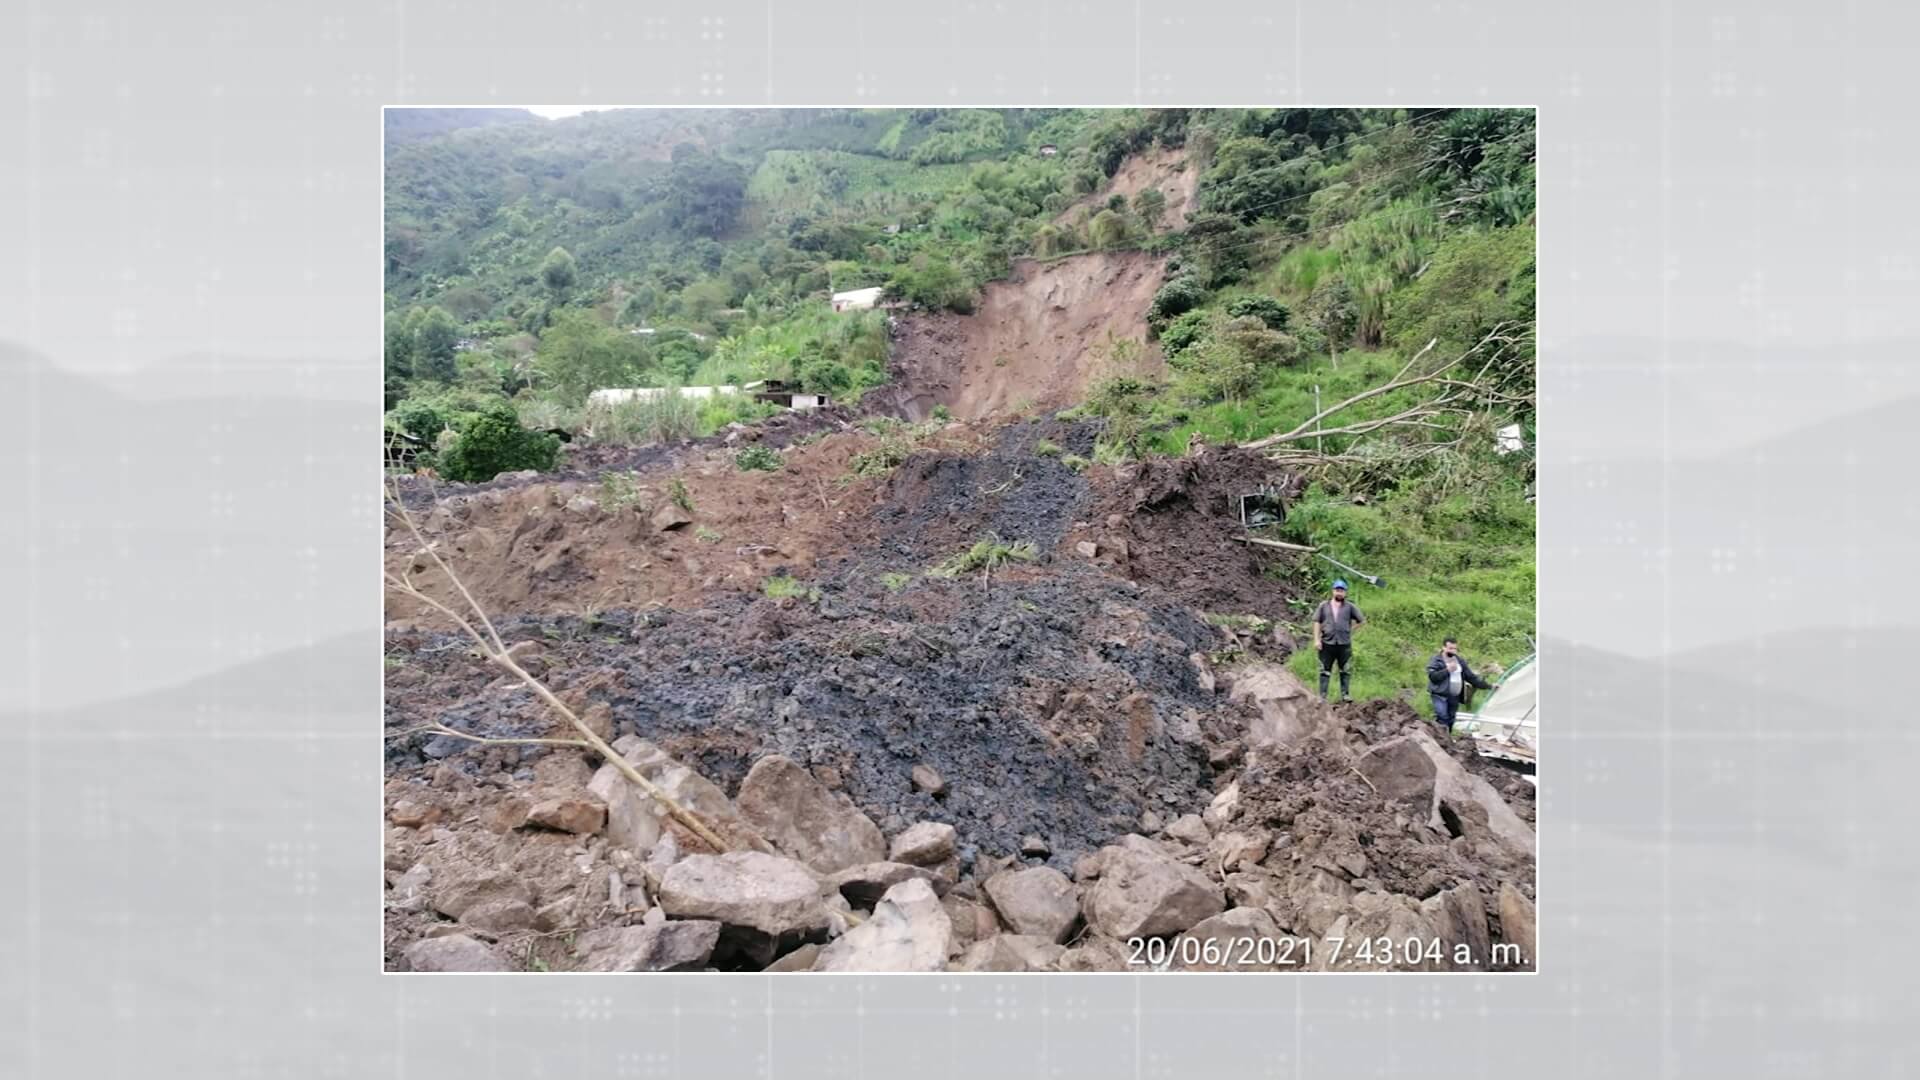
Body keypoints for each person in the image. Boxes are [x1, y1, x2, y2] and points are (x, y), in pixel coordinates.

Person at [1312, 579, 1365, 702]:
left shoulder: (1350, 607)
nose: (1339, 593)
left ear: (1345, 593)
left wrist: (1349, 630)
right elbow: (1316, 622)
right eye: (1337, 590)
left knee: (1345, 670)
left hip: (1344, 644)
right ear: (1333, 591)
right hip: (1326, 643)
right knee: (1324, 670)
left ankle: (1345, 695)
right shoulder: (1324, 606)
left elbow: (1361, 621)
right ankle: (1322, 696)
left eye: (1341, 591)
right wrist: (1316, 639)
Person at [1427, 637, 1493, 733]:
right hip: (1439, 694)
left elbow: (1471, 677)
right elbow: (1433, 677)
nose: (1453, 651)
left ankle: (1447, 738)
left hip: (1455, 695)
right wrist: (1447, 670)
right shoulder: (1436, 660)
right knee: (1442, 716)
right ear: (1444, 648)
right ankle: (1440, 737)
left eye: (1455, 649)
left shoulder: (1459, 661)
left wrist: (1489, 686)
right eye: (1450, 648)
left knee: (1451, 719)